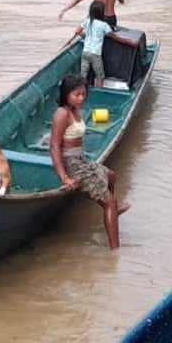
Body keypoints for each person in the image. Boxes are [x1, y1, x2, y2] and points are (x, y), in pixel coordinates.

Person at [50, 74, 131, 249]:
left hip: (81, 159)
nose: (81, 98)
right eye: (76, 94)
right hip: (72, 164)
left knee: (110, 176)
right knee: (109, 201)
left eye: (84, 94)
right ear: (66, 94)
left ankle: (112, 212)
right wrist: (65, 178)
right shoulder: (62, 113)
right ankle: (115, 252)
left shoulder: (75, 111)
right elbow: (55, 148)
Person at [75, 0, 138, 87]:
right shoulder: (103, 25)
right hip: (95, 54)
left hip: (85, 52)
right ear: (102, 13)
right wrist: (131, 42)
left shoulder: (87, 21)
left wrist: (86, 36)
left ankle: (81, 90)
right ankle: (99, 92)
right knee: (100, 76)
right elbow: (115, 37)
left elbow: (77, 31)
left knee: (83, 75)